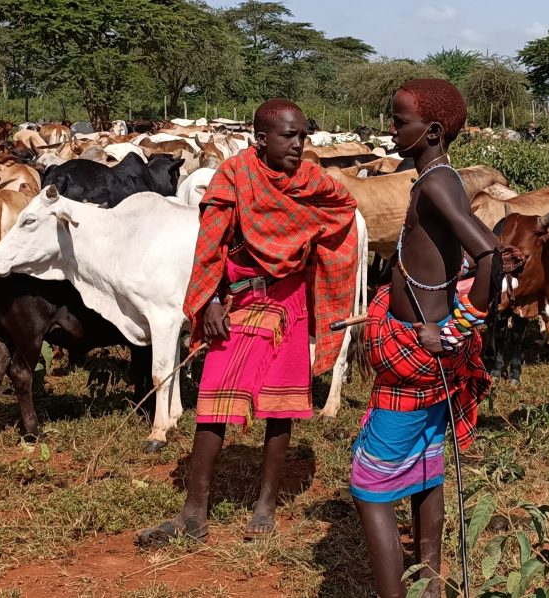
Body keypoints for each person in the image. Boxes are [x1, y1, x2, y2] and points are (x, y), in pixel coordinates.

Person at [136, 98, 358, 547]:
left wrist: (312, 255)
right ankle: (193, 511)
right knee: (214, 399)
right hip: (238, 300)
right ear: (260, 138)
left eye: (303, 136)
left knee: (280, 405)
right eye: (288, 135)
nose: (298, 144)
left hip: (288, 299)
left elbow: (342, 210)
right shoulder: (234, 176)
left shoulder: (312, 181)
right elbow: (211, 243)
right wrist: (212, 301)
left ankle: (266, 505)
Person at [351, 78, 523, 598]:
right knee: (426, 466)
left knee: (370, 486)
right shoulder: (435, 178)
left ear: (430, 132)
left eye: (399, 121)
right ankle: (430, 586)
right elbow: (473, 253)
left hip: (418, 353)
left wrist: (453, 329)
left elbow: (488, 256)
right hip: (428, 352)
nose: (390, 129)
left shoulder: (436, 184)